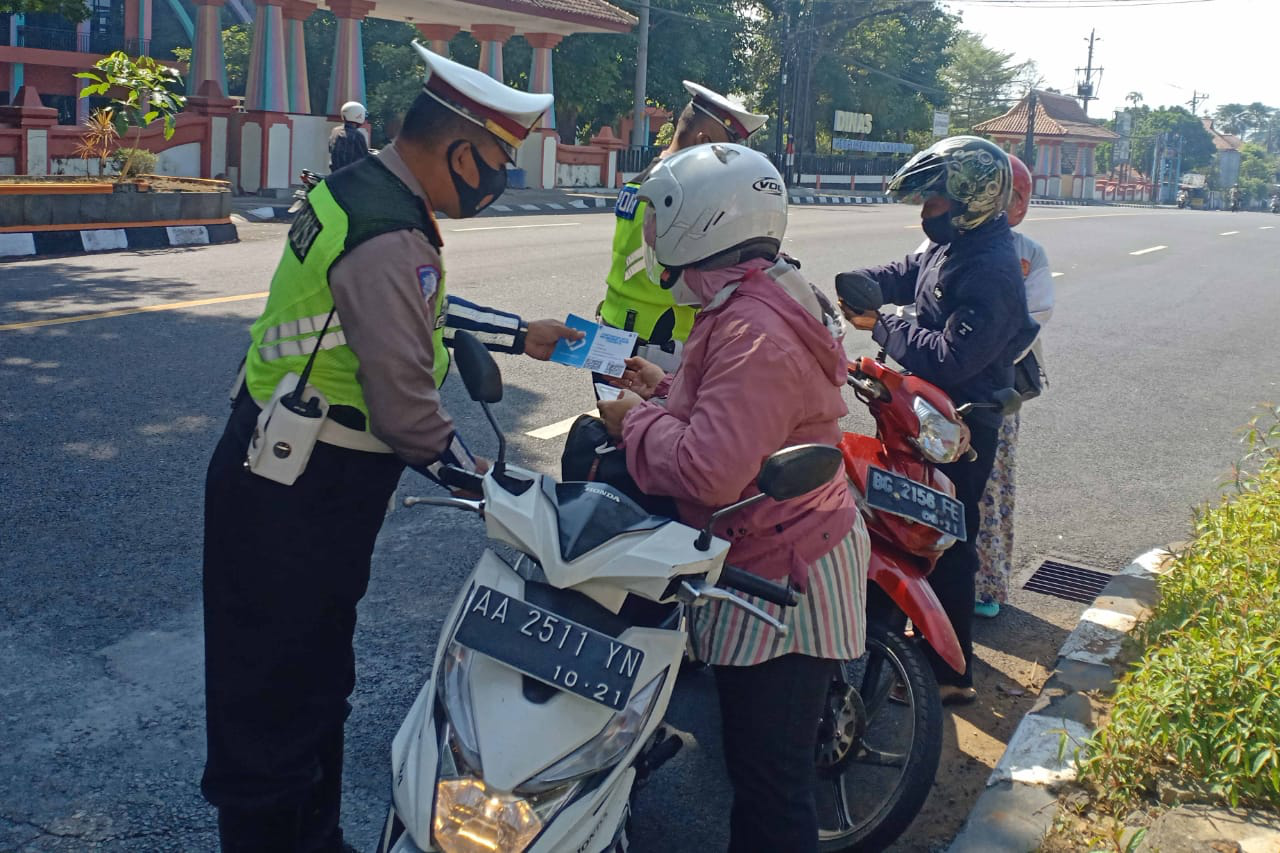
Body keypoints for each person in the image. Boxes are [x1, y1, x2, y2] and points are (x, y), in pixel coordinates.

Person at [202, 44, 583, 852]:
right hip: (302, 486)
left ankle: (317, 834)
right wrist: (491, 488)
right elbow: (408, 412)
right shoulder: (388, 230)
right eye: (496, 163)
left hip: (290, 471)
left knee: (310, 677)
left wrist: (522, 334)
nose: (496, 182)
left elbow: (416, 307)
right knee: (274, 693)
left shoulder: (365, 192)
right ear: (458, 148)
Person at [597, 143, 869, 853]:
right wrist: (662, 388)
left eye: (662, 215)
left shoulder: (751, 327)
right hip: (777, 545)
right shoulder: (751, 293)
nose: (651, 231)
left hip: (785, 569)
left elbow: (711, 470)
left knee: (770, 781)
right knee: (763, 771)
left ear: (702, 224)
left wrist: (636, 420)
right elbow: (736, 415)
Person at [839, 135, 1037, 705]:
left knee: (949, 539)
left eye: (933, 203)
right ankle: (901, 642)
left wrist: (882, 324)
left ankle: (952, 671)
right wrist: (857, 284)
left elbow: (951, 356)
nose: (925, 214)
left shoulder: (992, 268)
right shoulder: (954, 246)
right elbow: (907, 271)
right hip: (922, 417)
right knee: (905, 524)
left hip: (961, 430)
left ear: (970, 200)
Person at [595, 82, 767, 380]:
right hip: (657, 341)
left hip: (613, 327)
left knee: (614, 422)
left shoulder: (642, 179)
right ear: (704, 140)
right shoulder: (683, 195)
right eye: (728, 149)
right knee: (653, 426)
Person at [973, 154, 1053, 618]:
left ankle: (987, 586)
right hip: (937, 385)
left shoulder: (1029, 253)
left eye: (1009, 197)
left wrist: (981, 359)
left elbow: (1034, 318)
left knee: (991, 486)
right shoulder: (938, 245)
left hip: (997, 388)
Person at [328, 101, 369, 172]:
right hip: (350, 176)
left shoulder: (335, 131)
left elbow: (330, 149)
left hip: (334, 174)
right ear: (359, 115)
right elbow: (364, 157)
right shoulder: (357, 135)